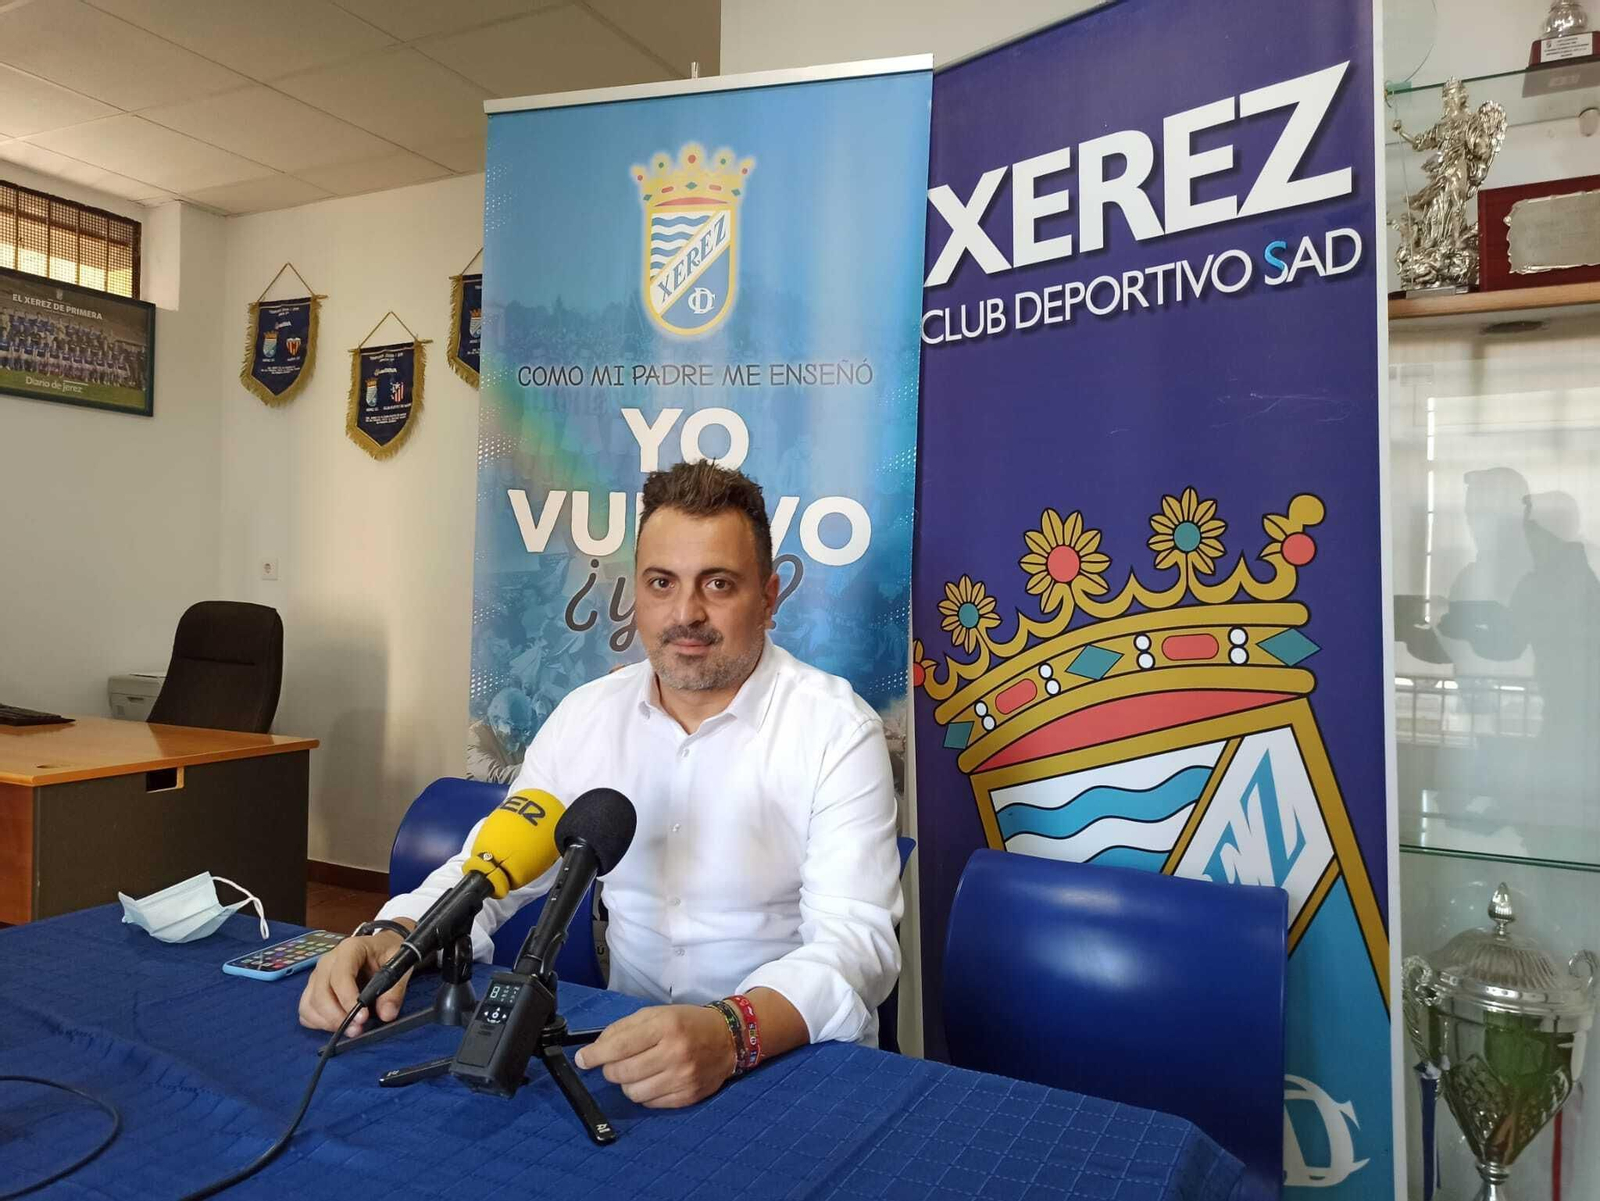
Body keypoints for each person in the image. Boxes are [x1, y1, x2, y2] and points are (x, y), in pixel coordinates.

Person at [299, 461, 903, 1109]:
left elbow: (855, 945)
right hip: (626, 1052)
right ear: (636, 591)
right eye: (661, 583)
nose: (686, 613)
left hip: (786, 1057)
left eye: (719, 584)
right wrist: (392, 938)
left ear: (770, 596)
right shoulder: (587, 716)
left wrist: (731, 1032)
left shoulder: (837, 729)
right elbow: (490, 872)